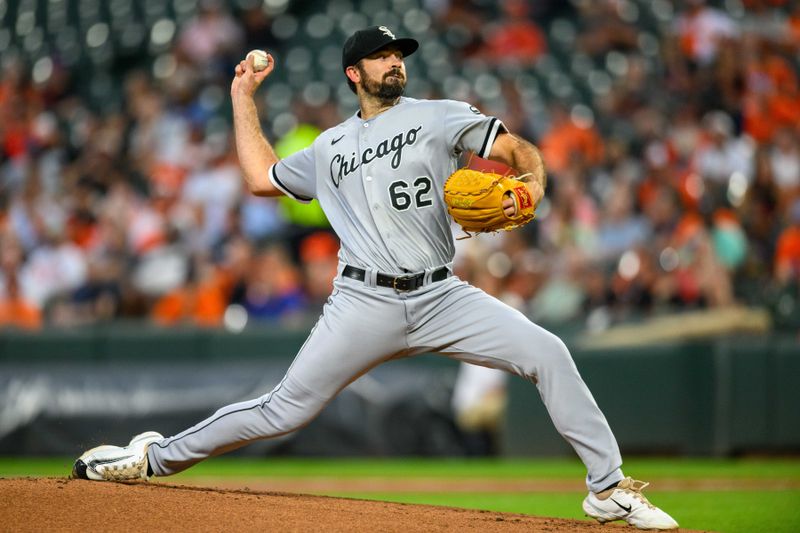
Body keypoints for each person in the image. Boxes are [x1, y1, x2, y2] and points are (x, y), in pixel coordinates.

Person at [71, 26, 678, 530]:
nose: (394, 64)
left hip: (442, 293)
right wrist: (242, 98)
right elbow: (262, 177)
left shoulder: (440, 117)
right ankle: (153, 458)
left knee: (548, 351)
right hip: (362, 300)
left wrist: (534, 184)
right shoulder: (330, 146)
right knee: (282, 412)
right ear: (353, 73)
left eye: (399, 56)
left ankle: (607, 488)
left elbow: (516, 149)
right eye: (381, 57)